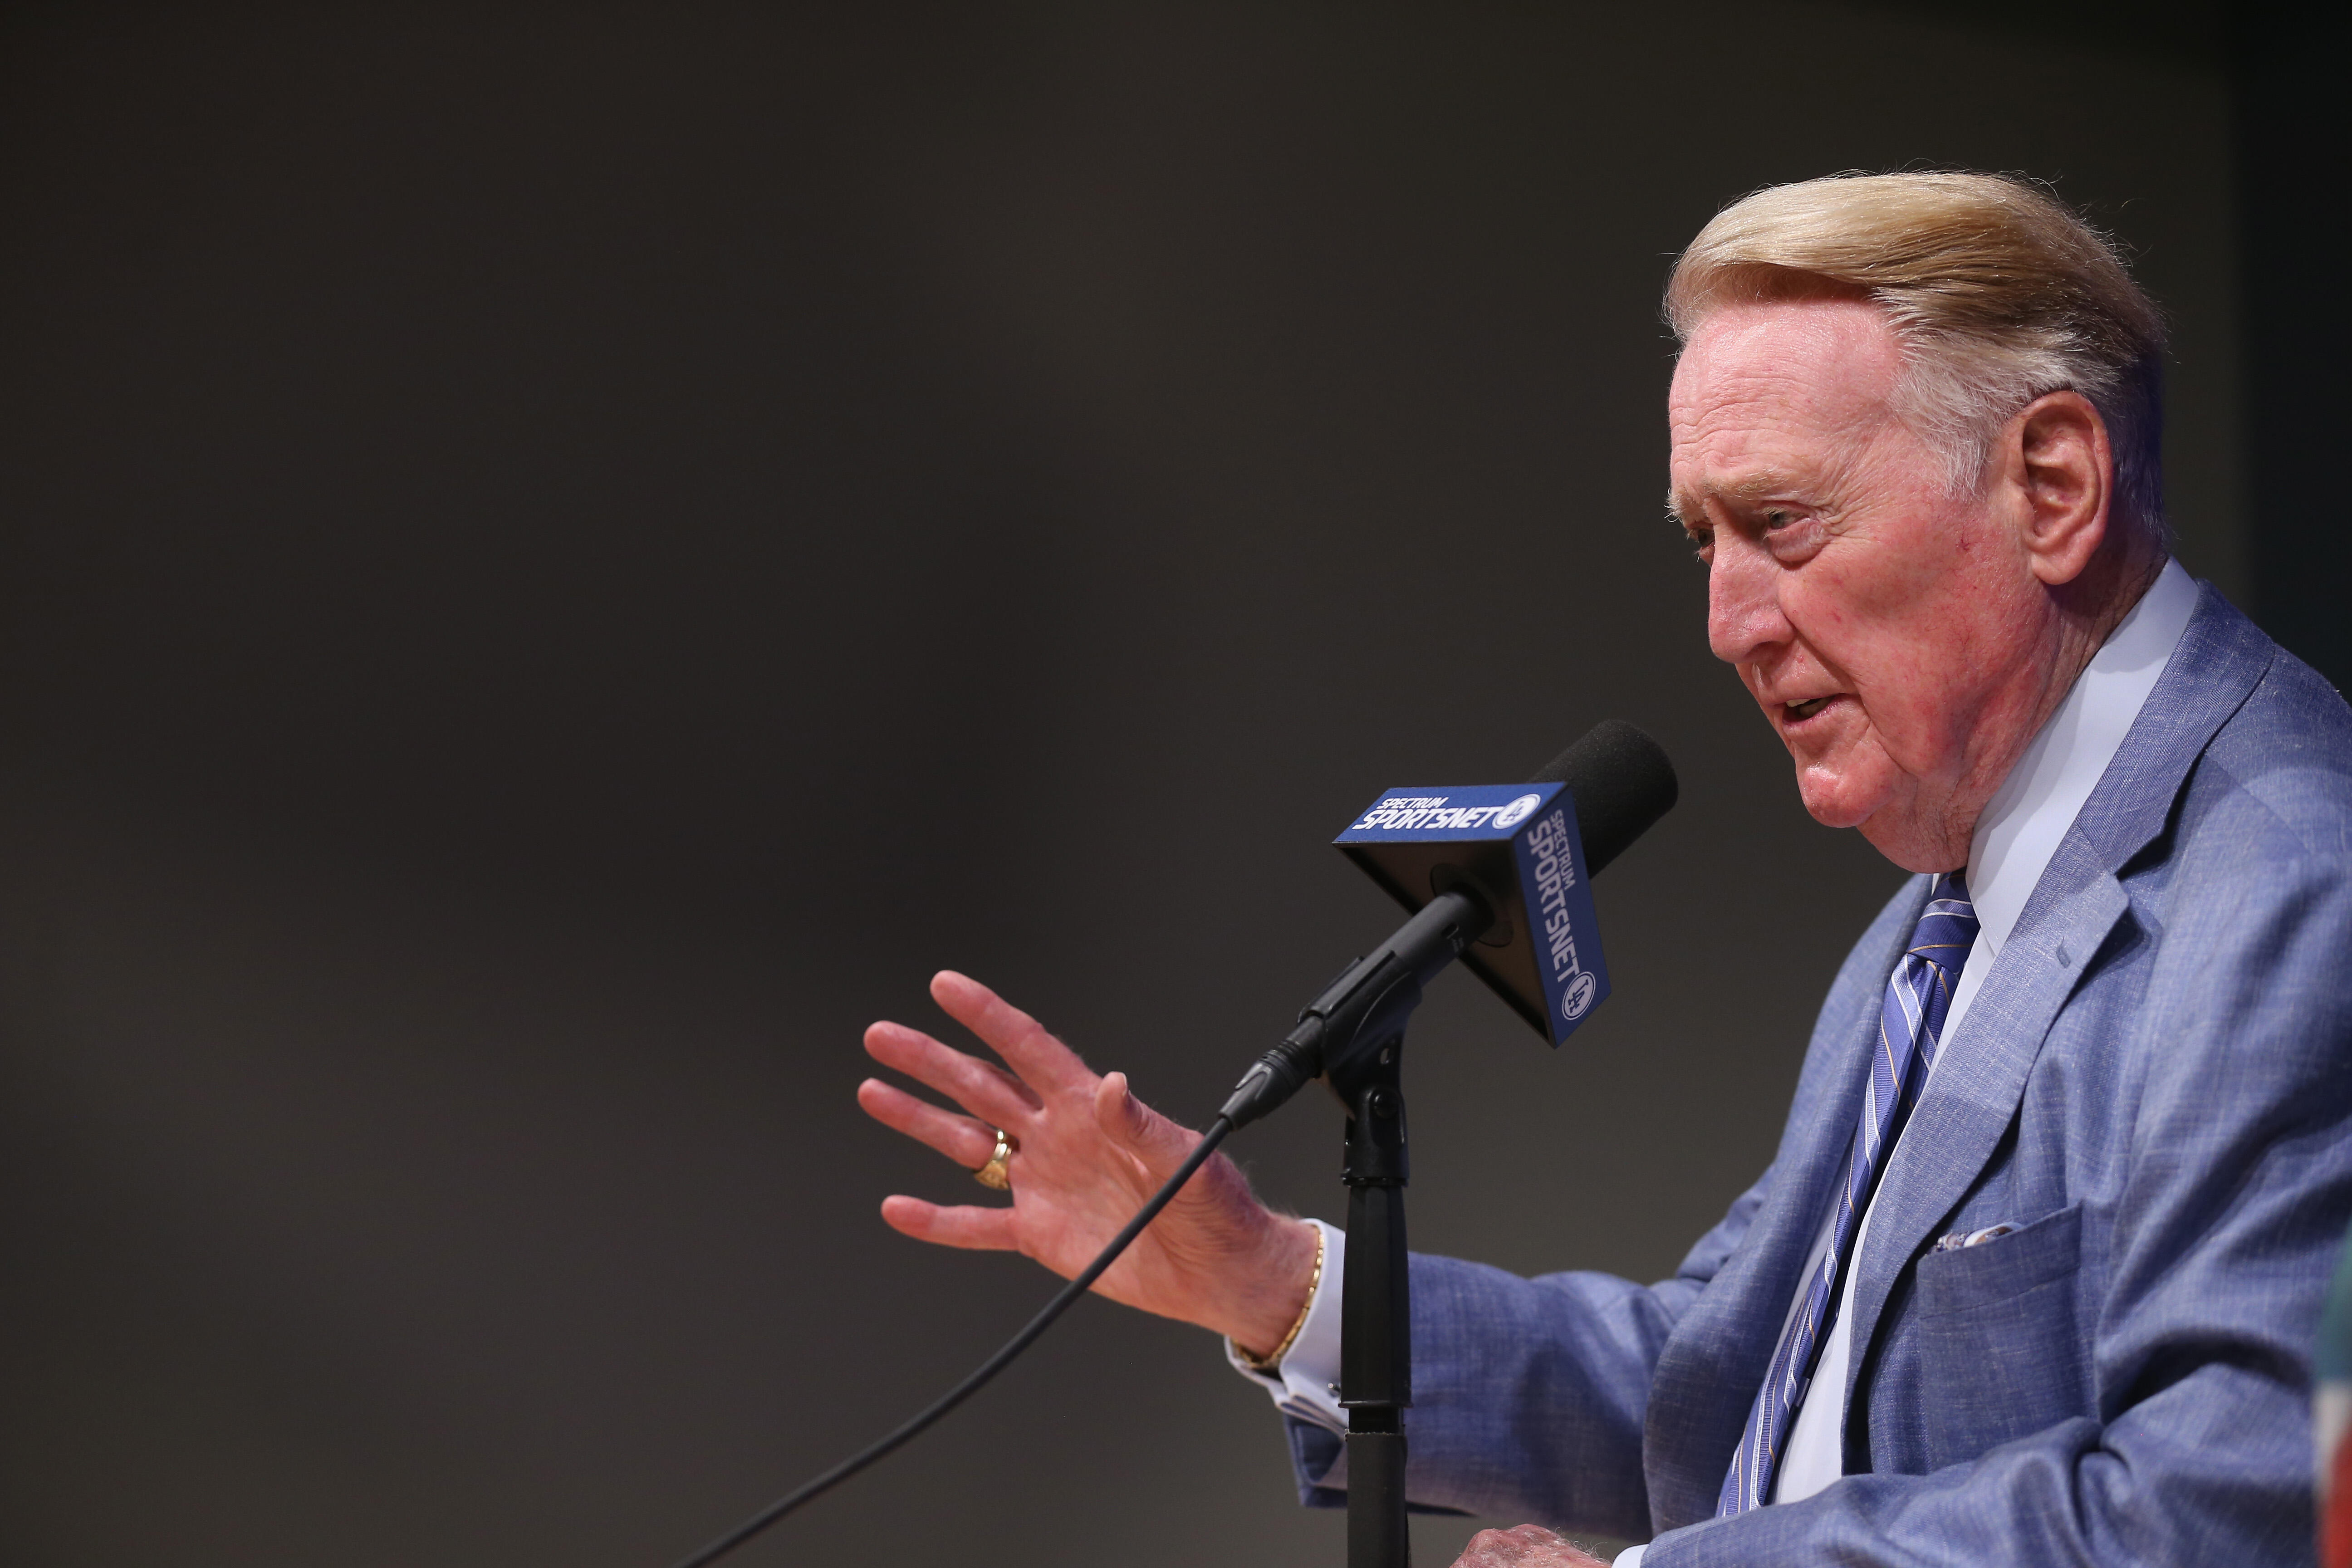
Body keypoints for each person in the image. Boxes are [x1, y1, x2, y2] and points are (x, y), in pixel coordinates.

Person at [854, 172, 2352, 1565]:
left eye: (1782, 524)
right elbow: (1712, 1386)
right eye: (1706, 542)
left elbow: (2226, 1506)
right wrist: (1270, 1279)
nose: (1730, 623)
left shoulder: (2293, 885)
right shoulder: (1946, 914)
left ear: (2052, 486)